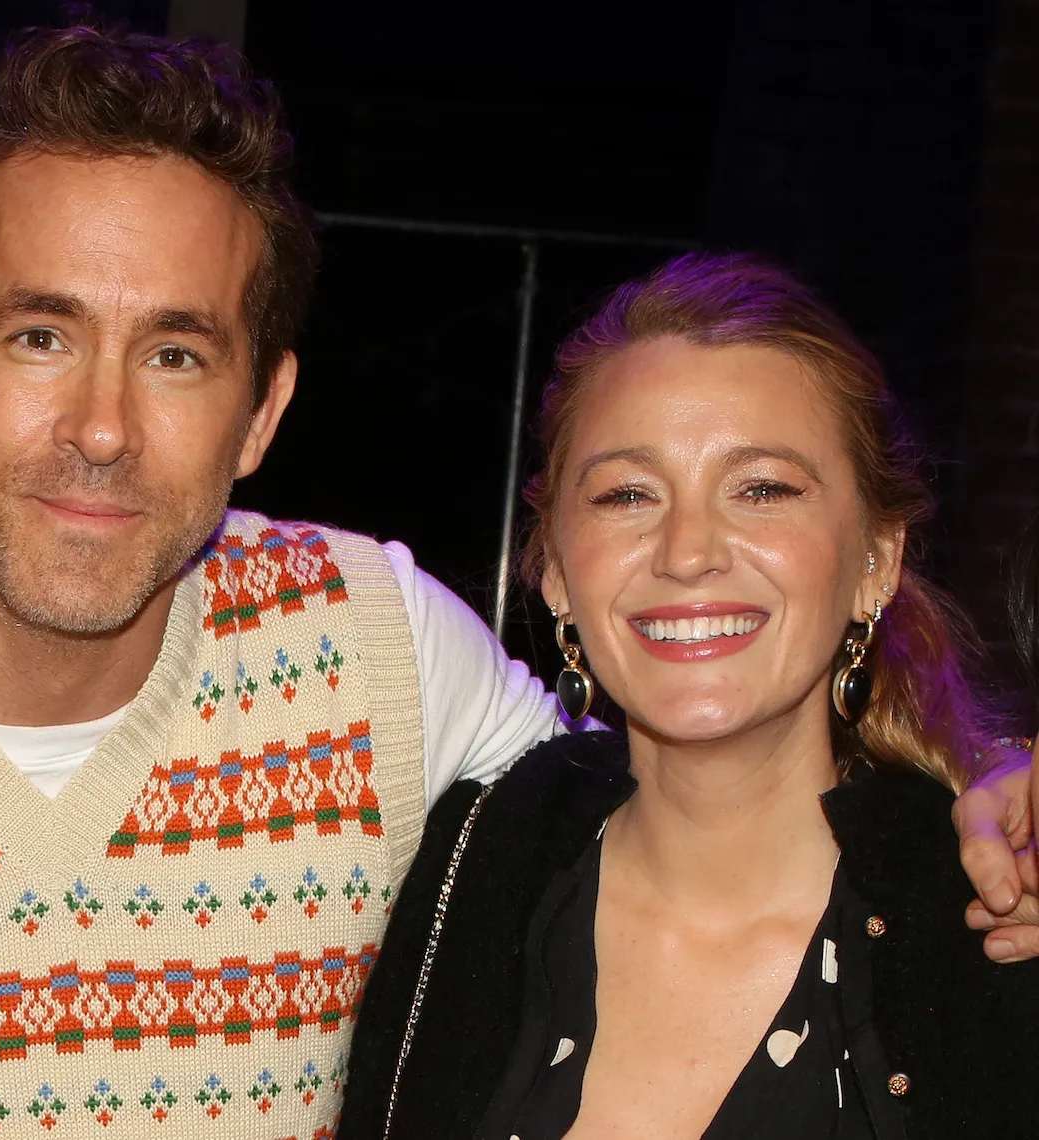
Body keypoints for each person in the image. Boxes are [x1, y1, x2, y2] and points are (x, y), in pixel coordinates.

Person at [0, 22, 1034, 1140]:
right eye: (40, 336)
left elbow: (707, 752)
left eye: (178, 353)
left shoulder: (371, 650)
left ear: (262, 413)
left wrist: (990, 791)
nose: (106, 427)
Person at [339, 254, 1039, 1140]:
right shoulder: (465, 874)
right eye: (628, 494)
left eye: (762, 489)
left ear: (877, 560)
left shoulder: (992, 926)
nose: (688, 549)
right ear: (555, 568)